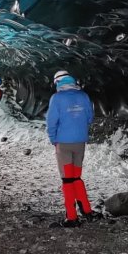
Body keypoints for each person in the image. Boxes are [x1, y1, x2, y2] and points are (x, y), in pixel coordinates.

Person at [47, 73, 94, 227]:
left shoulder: (57, 98)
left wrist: (53, 139)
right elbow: (89, 118)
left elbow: (51, 121)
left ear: (58, 82)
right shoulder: (84, 96)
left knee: (67, 180)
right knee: (76, 177)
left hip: (64, 143)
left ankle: (72, 217)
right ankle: (87, 211)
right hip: (80, 142)